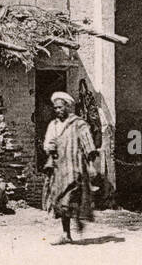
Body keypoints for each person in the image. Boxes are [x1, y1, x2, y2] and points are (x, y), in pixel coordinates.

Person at [41, 91, 99, 244]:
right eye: (55, 108)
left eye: (60, 107)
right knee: (59, 202)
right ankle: (67, 233)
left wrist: (91, 166)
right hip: (59, 168)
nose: (58, 110)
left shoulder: (79, 123)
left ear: (67, 107)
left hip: (75, 167)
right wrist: (49, 148)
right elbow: (48, 143)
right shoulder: (53, 125)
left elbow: (88, 145)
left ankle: (77, 220)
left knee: (70, 198)